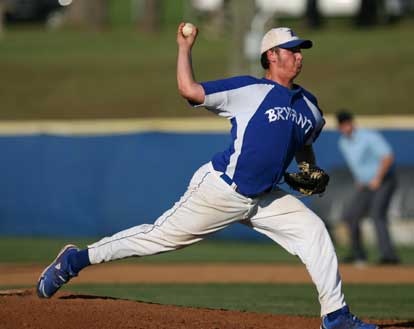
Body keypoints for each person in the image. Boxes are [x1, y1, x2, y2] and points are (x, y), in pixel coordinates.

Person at [36, 23, 378, 329]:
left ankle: (335, 316)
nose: (299, 57)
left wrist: (307, 167)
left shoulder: (311, 107)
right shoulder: (248, 91)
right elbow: (189, 89)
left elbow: (303, 141)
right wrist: (185, 47)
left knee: (314, 231)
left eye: (300, 51)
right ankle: (75, 259)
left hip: (264, 198)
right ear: (271, 56)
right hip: (221, 190)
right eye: (292, 50)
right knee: (158, 237)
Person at [336, 111, 400, 265]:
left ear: (352, 123)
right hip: (365, 185)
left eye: (346, 123)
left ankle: (389, 256)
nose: (345, 127)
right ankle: (358, 254)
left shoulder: (368, 136)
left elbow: (387, 157)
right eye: (341, 125)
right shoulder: (343, 143)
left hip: (384, 181)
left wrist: (378, 178)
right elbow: (355, 165)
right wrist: (359, 179)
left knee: (377, 214)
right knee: (351, 216)